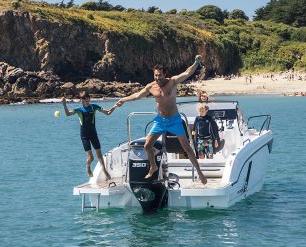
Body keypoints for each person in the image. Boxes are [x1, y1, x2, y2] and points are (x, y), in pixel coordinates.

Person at [116, 55, 208, 184]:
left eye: (159, 75)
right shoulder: (151, 87)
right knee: (147, 145)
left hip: (175, 120)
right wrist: (123, 100)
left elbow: (187, 73)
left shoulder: (173, 81)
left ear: (165, 74)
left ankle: (199, 172)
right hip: (160, 121)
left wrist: (196, 62)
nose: (157, 77)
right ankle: (153, 166)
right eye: (155, 75)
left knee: (187, 147)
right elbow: (137, 95)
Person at [61, 92, 117, 180]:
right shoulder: (78, 109)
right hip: (84, 136)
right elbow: (68, 114)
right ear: (81, 100)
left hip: (93, 134)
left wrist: (115, 106)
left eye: (88, 98)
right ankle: (88, 167)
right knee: (91, 158)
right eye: (84, 99)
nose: (86, 100)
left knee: (99, 154)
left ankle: (104, 170)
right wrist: (64, 104)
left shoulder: (94, 107)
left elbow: (108, 113)